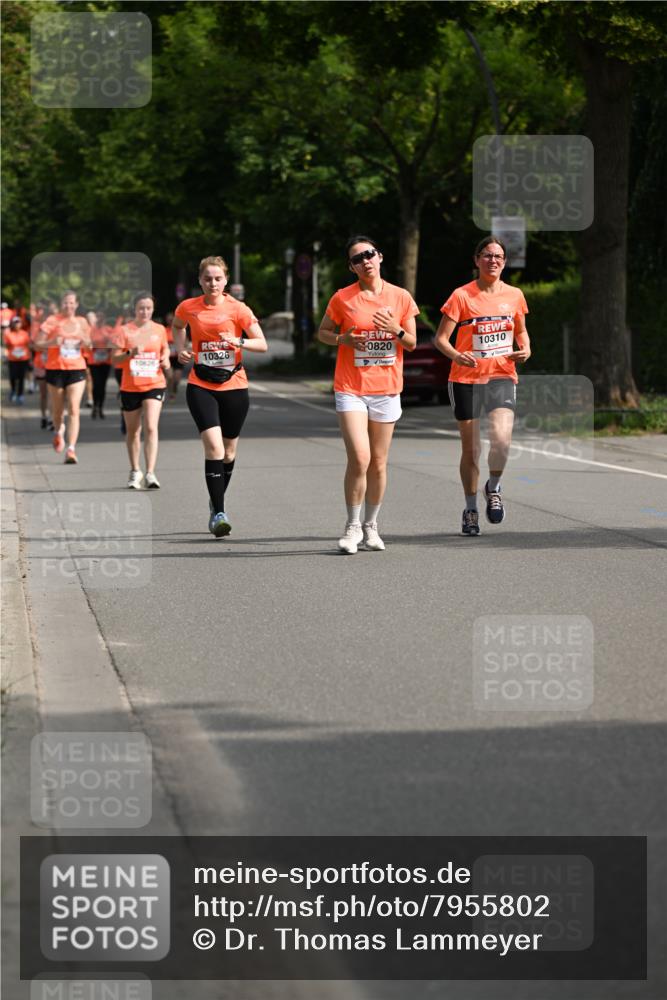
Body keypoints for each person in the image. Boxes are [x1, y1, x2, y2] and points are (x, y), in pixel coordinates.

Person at [317, 235, 419, 554]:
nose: (365, 261)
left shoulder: (401, 297)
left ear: (380, 257)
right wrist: (342, 340)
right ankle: (351, 527)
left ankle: (371, 526)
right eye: (358, 259)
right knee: (359, 458)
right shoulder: (342, 299)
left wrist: (395, 329)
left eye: (369, 254)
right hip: (351, 387)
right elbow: (323, 333)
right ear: (352, 267)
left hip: (386, 389)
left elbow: (412, 342)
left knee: (378, 462)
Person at [434, 236, 531, 536]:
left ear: (504, 262)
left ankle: (495, 488)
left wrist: (526, 349)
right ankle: (471, 508)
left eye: (499, 256)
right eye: (487, 255)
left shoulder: (514, 295)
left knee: (502, 440)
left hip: (501, 375)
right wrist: (456, 355)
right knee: (472, 449)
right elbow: (440, 339)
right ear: (476, 260)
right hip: (466, 379)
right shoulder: (462, 296)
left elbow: (522, 332)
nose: (493, 260)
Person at [173, 255, 267, 537]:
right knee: (213, 448)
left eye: (217, 278)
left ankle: (214, 502)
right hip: (201, 384)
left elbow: (262, 344)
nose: (212, 283)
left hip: (235, 385)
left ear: (225, 280)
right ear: (199, 280)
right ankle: (220, 513)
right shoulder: (188, 307)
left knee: (228, 453)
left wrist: (238, 341)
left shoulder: (238, 309)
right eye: (207, 278)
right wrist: (181, 349)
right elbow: (178, 327)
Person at [112, 292, 170, 489]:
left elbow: (165, 349)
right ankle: (135, 470)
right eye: (141, 308)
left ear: (153, 309)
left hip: (154, 383)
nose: (145, 311)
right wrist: (130, 353)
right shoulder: (124, 331)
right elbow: (115, 359)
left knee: (151, 426)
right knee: (133, 431)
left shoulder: (159, 329)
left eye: (148, 308)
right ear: (134, 309)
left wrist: (167, 358)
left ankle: (151, 473)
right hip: (130, 386)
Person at [34, 290, 92, 463]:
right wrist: (52, 343)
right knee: (58, 410)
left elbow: (90, 347)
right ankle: (59, 431)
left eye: (72, 302)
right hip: (55, 368)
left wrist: (86, 341)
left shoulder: (82, 322)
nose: (69, 305)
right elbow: (37, 345)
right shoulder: (52, 321)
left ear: (77, 304)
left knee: (74, 408)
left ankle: (71, 449)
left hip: (77, 369)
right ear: (61, 304)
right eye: (66, 302)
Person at [86, 310, 113, 419]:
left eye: (102, 317)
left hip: (106, 361)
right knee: (96, 384)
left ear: (104, 319)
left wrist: (108, 344)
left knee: (102, 385)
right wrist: (92, 345)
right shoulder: (91, 330)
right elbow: (87, 343)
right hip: (94, 361)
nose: (100, 319)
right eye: (98, 317)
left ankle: (100, 407)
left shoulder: (108, 330)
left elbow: (114, 344)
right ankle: (95, 407)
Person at [5, 315, 31, 403]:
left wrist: (29, 358)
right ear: (12, 324)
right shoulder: (9, 335)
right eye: (15, 323)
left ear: (21, 323)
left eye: (18, 322)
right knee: (12, 376)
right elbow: (7, 346)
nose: (17, 324)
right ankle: (13, 390)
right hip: (12, 359)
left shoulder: (25, 334)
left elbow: (28, 345)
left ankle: (20, 394)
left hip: (23, 359)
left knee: (21, 377)